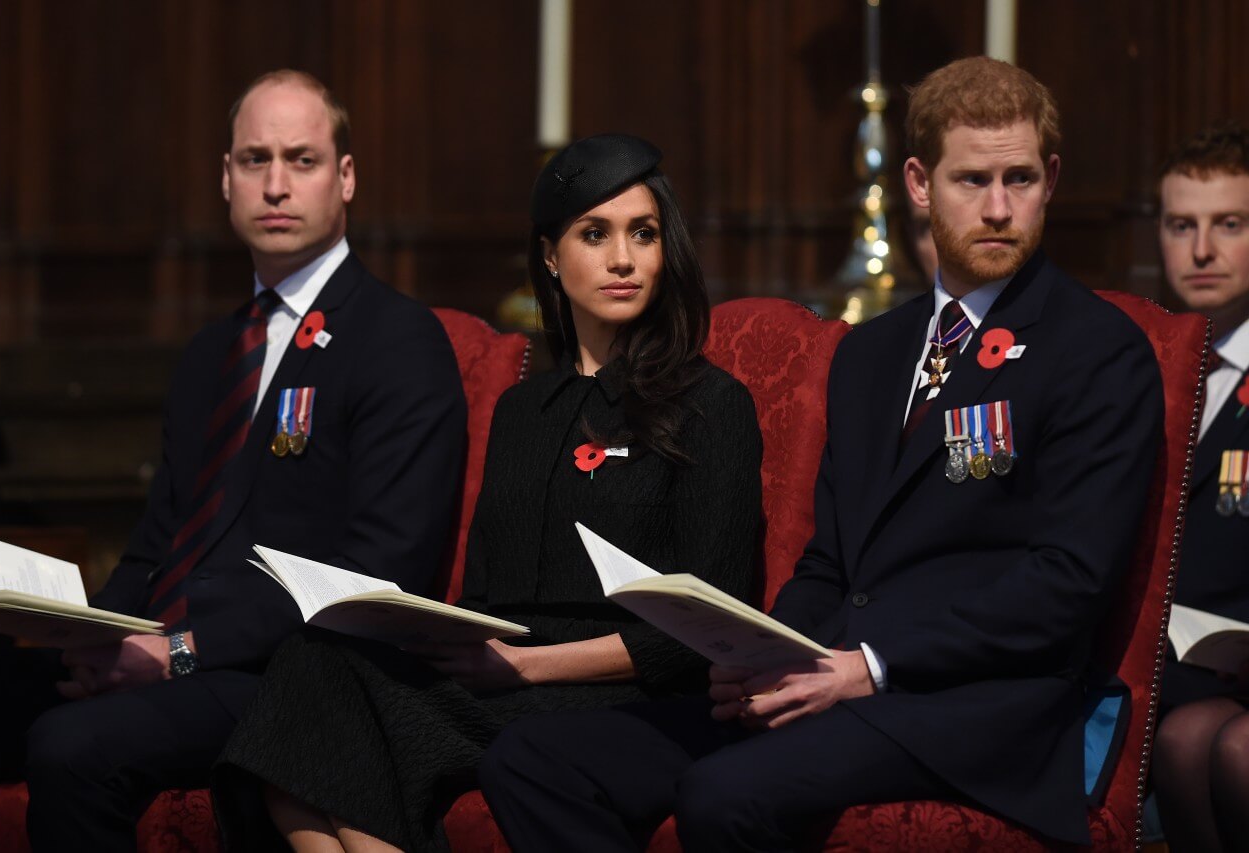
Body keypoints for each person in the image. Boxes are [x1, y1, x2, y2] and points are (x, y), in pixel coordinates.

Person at [480, 56, 1164, 851]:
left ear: (1051, 179)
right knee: (534, 760)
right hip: (835, 678)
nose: (999, 207)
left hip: (981, 709)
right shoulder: (873, 353)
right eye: (972, 180)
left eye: (1020, 179)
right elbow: (831, 564)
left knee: (723, 791)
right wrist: (761, 652)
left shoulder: (1098, 349)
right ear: (918, 183)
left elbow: (1066, 586)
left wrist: (867, 665)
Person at [210, 133, 764, 852]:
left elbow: (709, 621)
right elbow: (487, 597)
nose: (623, 259)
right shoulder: (520, 412)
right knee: (312, 665)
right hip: (504, 671)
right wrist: (432, 631)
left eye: (644, 234)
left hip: (626, 686)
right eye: (594, 234)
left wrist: (526, 663)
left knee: (338, 726)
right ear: (549, 257)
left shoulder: (712, 403)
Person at [0, 69, 466, 851]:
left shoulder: (396, 339)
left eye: (301, 161)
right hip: (165, 649)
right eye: (254, 160)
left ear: (346, 178)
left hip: (282, 675)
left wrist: (177, 654)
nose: (275, 184)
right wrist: (90, 634)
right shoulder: (211, 352)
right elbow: (158, 543)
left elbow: (377, 572)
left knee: (74, 746)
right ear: (224, 178)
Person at [1151, 122, 1249, 853]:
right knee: (1185, 739)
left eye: (1229, 224)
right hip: (1167, 666)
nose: (1202, 250)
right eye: (1182, 225)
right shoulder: (1141, 361)